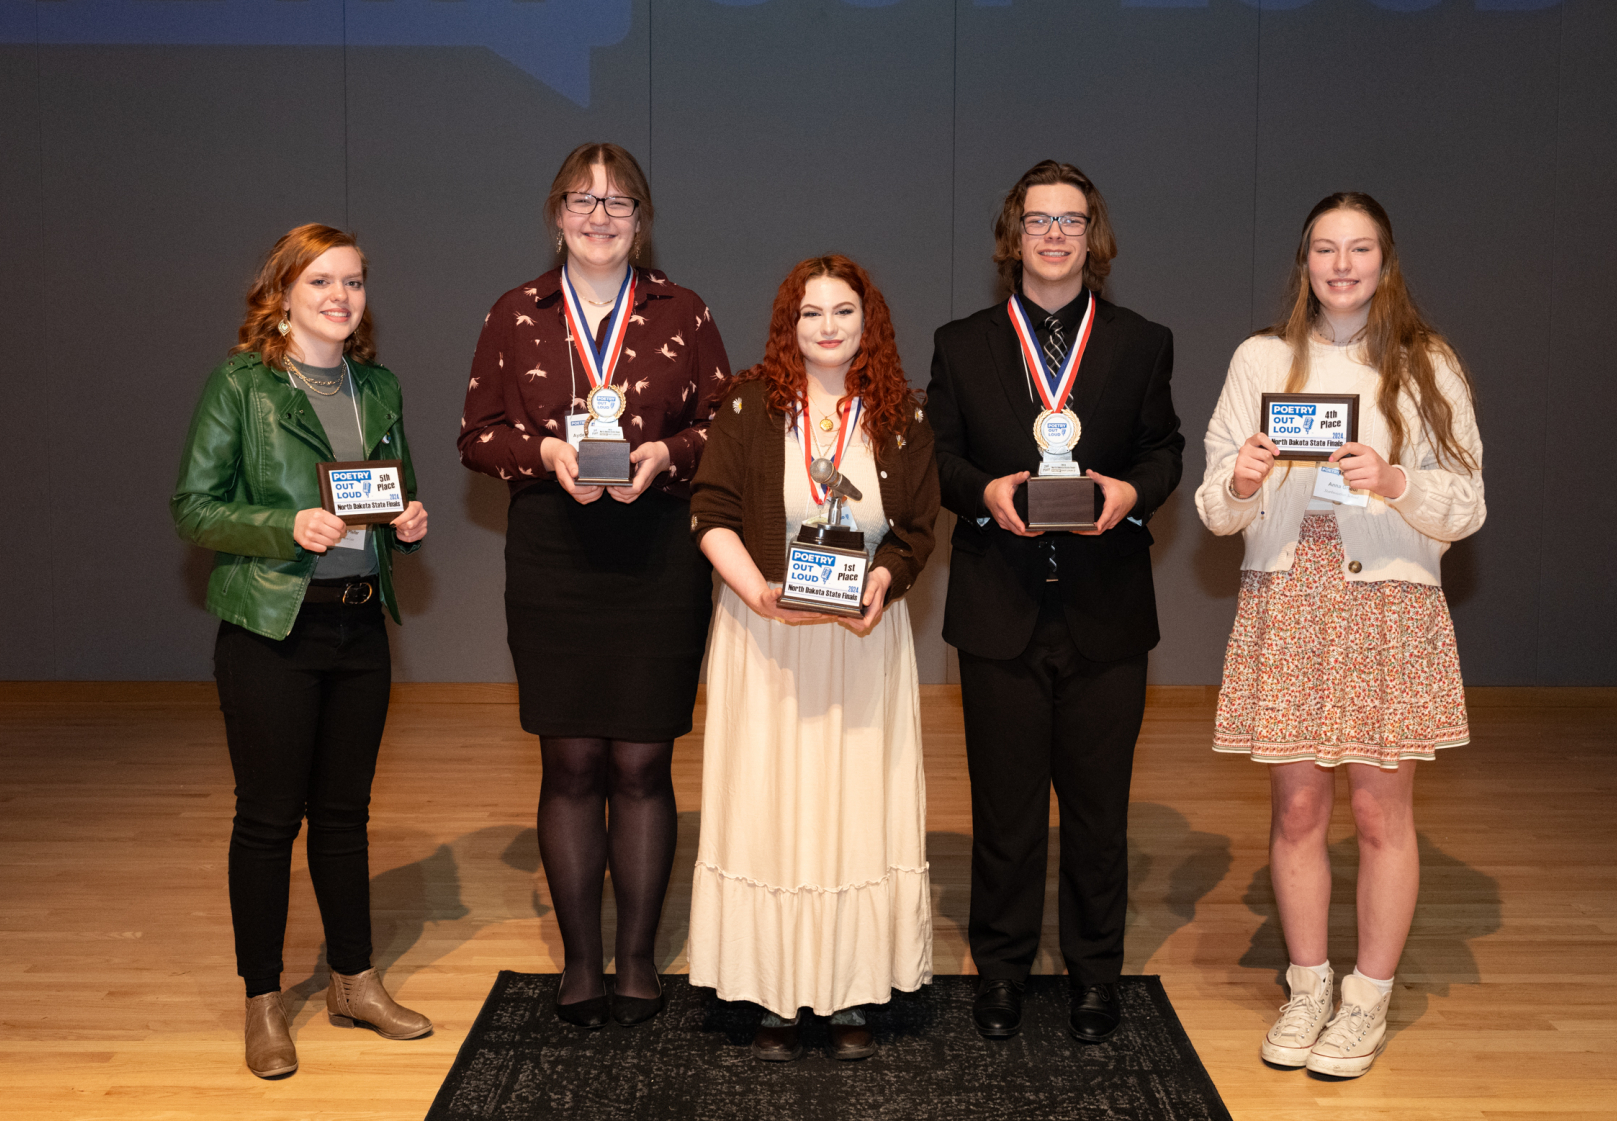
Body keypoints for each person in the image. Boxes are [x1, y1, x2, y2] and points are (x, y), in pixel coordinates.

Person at [1195, 191, 1484, 1079]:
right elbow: (1211, 508)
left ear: (1386, 263)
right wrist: (1243, 477)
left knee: (1379, 812)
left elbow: (1469, 505)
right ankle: (1309, 984)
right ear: (1305, 263)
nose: (1343, 264)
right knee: (1298, 809)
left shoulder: (1427, 364)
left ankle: (1367, 997)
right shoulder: (1260, 359)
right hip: (1289, 599)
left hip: (1386, 605)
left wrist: (1396, 480)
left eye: (1361, 249)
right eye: (1326, 248)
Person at [459, 142, 731, 1029]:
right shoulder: (516, 312)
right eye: (583, 200)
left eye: (618, 204)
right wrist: (541, 452)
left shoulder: (683, 312)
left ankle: (640, 960)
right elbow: (476, 434)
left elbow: (721, 426)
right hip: (553, 550)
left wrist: (666, 453)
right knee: (571, 759)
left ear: (642, 219)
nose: (600, 217)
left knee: (644, 762)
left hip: (658, 553)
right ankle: (581, 962)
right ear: (556, 213)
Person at [926, 161, 1184, 1044]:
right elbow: (941, 456)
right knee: (1003, 809)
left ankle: (1094, 974)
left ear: (1093, 236)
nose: (1054, 235)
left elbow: (1165, 451)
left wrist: (1131, 494)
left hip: (1107, 612)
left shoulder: (1142, 341)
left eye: (1071, 221)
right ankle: (1000, 972)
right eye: (1038, 220)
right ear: (1014, 234)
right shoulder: (961, 343)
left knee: (1097, 810)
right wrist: (984, 492)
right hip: (998, 604)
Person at [172, 223, 433, 1079]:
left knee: (347, 816)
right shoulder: (241, 385)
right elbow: (194, 508)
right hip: (272, 629)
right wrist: (280, 524)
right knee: (268, 819)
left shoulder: (379, 388)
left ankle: (353, 982)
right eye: (321, 281)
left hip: (361, 627)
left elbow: (393, 489)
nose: (339, 297)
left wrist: (409, 521)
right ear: (282, 292)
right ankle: (263, 1001)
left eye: (353, 282)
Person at [688, 255, 940, 1062]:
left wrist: (884, 580)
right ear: (786, 325)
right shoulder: (748, 404)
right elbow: (711, 511)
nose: (827, 327)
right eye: (810, 314)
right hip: (767, 636)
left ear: (870, 326)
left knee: (855, 808)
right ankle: (768, 989)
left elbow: (918, 529)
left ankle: (852, 987)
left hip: (861, 641)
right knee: (768, 805)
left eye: (843, 313)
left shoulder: (901, 414)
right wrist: (758, 592)